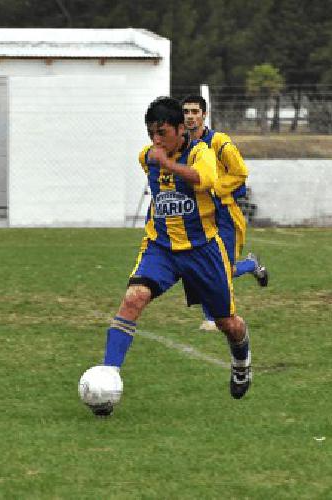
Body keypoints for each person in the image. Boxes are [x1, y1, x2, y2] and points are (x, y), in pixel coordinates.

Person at [93, 96, 253, 413]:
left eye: (162, 132)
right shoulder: (147, 157)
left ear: (181, 129)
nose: (155, 140)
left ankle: (241, 360)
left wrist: (166, 163)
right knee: (134, 297)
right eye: (151, 133)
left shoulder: (200, 152)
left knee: (227, 323)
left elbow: (205, 179)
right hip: (161, 247)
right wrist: (160, 161)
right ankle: (107, 379)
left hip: (202, 250)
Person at [181, 95, 269, 331]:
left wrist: (216, 190)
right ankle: (212, 315)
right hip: (199, 215)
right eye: (186, 112)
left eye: (194, 112)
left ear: (204, 115)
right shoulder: (183, 145)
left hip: (225, 213)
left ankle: (216, 313)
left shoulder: (219, 141)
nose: (190, 116)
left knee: (223, 268)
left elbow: (240, 172)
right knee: (202, 265)